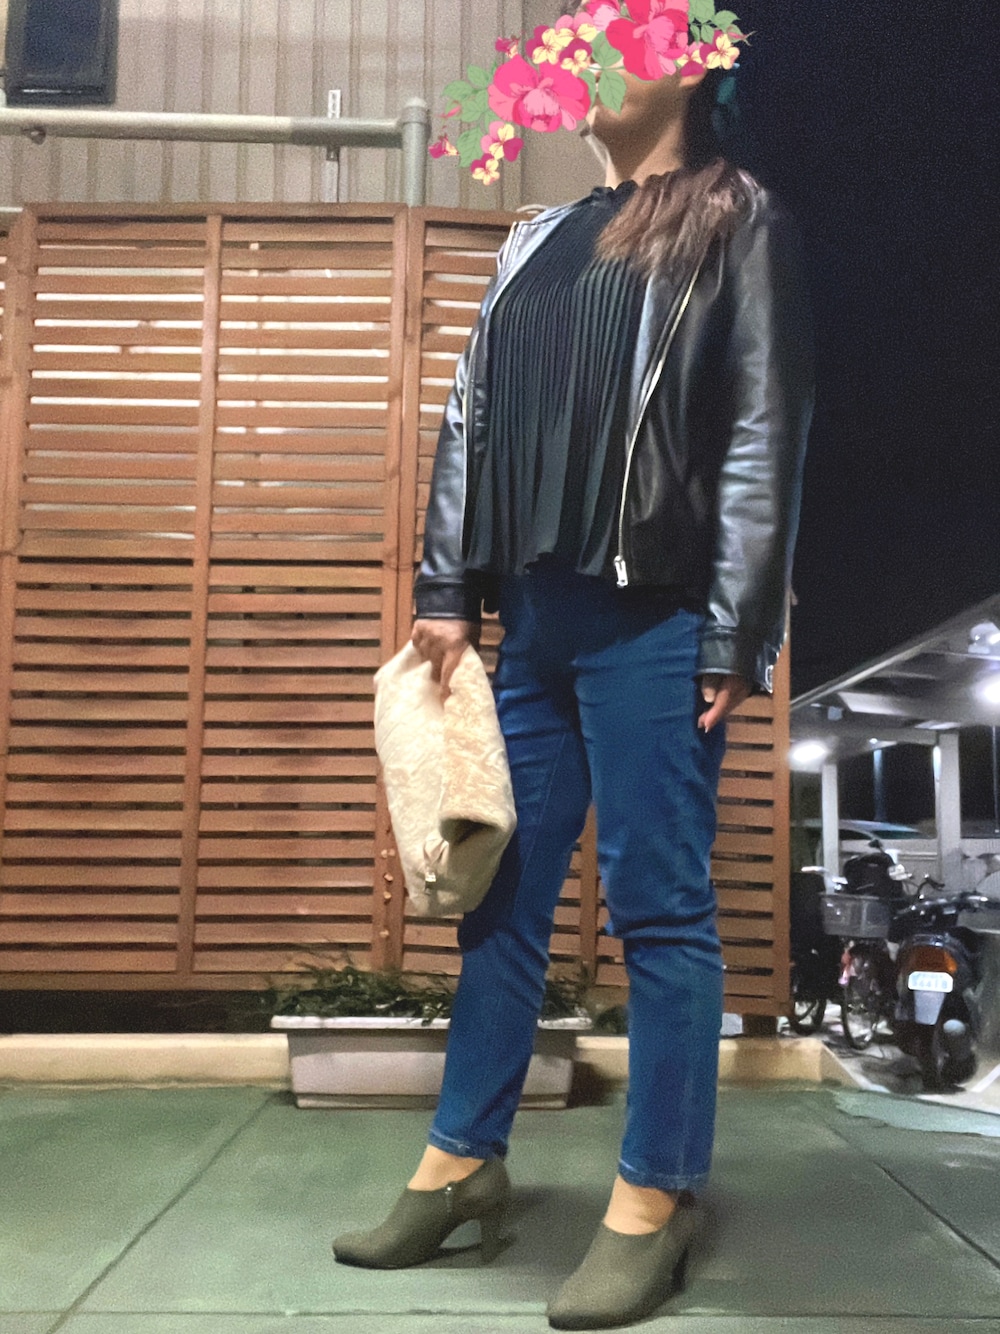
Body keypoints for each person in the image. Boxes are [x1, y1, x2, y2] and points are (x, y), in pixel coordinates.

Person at [333, 49, 814, 1333]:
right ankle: (459, 1162)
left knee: (660, 907)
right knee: (497, 898)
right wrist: (447, 586)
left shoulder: (738, 219)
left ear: (691, 68)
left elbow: (764, 429)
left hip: (657, 618)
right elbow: (472, 414)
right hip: (533, 617)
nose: (595, 61)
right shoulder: (536, 238)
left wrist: (735, 631)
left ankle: (655, 1194)